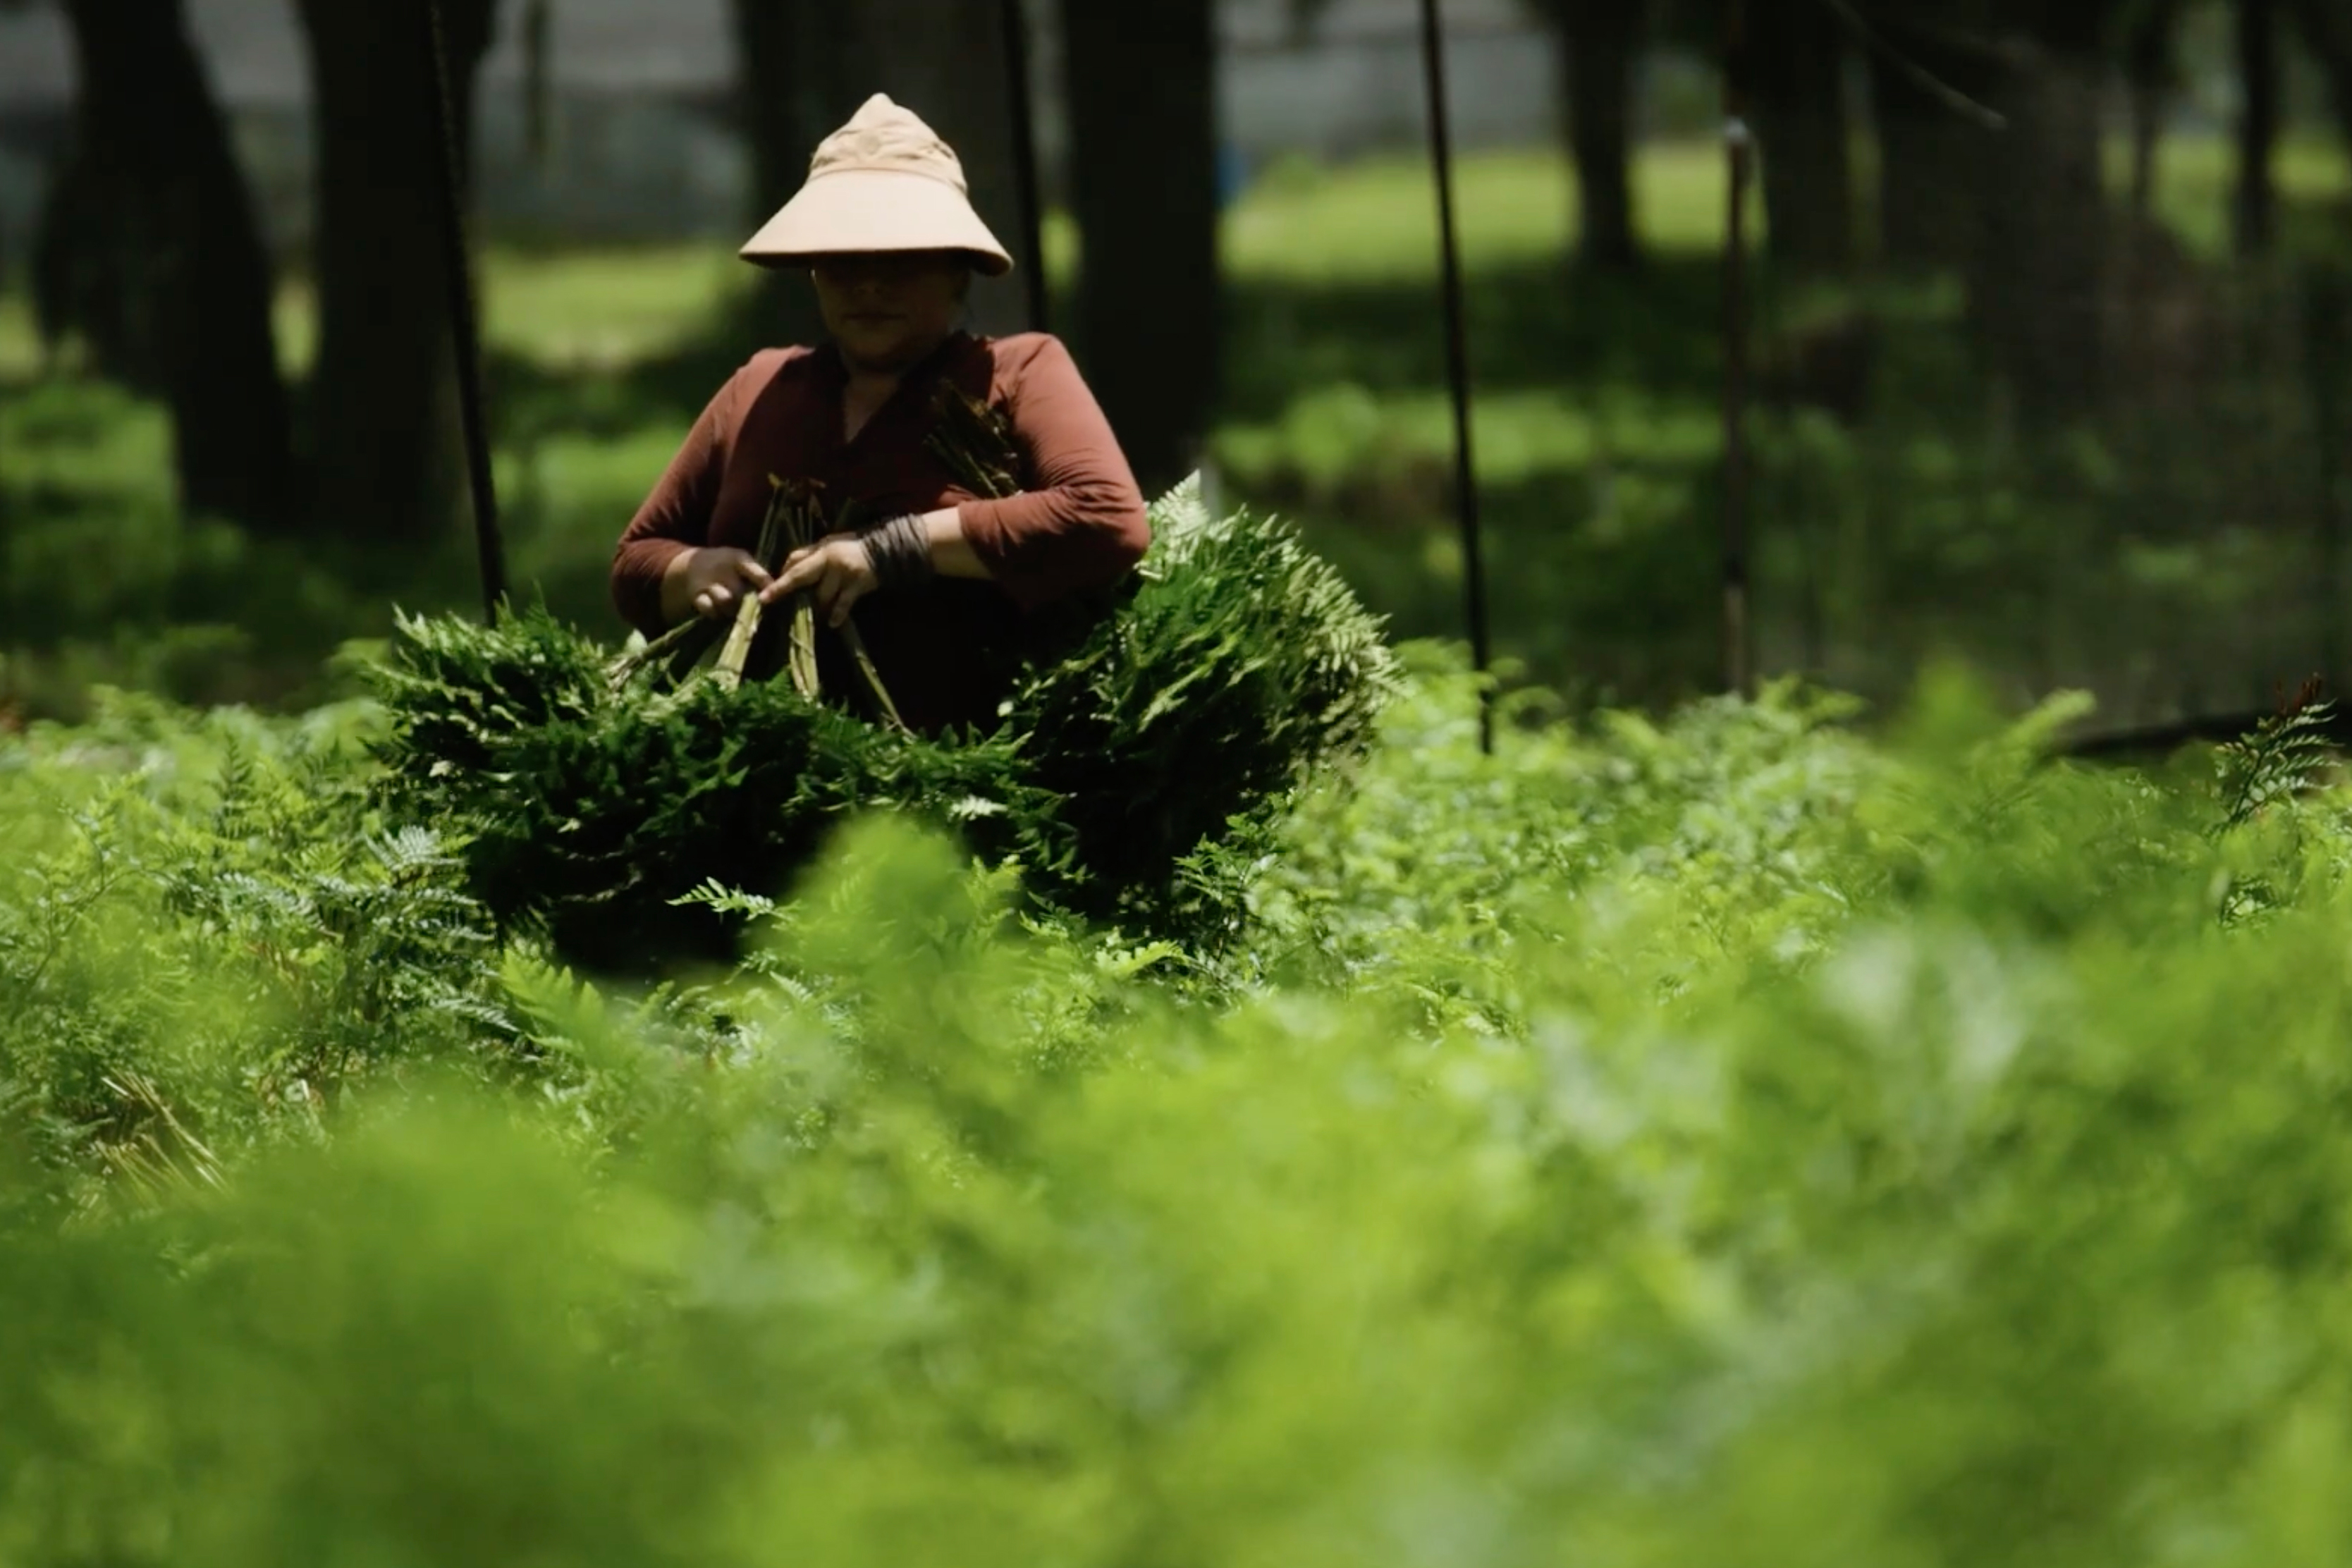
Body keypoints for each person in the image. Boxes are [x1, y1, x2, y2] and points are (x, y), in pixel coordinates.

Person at [611, 94, 1151, 735]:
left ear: (957, 270)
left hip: (961, 774)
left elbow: (1105, 518)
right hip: (762, 778)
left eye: (899, 257)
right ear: (812, 270)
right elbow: (635, 561)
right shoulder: (759, 387)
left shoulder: (1017, 373)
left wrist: (893, 549)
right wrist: (690, 572)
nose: (869, 284)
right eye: (843, 261)